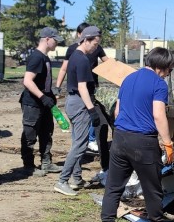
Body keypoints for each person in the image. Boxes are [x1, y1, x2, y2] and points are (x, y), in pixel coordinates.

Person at [99, 47, 174, 222]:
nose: (168, 74)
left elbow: (117, 111)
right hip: (144, 142)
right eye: (169, 69)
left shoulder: (127, 79)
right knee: (152, 188)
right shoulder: (159, 85)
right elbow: (158, 115)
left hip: (120, 139)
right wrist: (167, 143)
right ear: (162, 67)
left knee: (113, 187)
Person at [55, 25, 103, 196]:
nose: (96, 47)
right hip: (80, 103)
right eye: (95, 44)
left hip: (72, 101)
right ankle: (62, 180)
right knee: (80, 144)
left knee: (77, 142)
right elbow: (82, 87)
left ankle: (77, 178)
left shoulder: (75, 55)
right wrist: (91, 110)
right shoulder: (82, 59)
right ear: (86, 40)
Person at [55, 22, 109, 156]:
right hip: (80, 89)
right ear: (81, 36)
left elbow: (107, 61)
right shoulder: (74, 51)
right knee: (85, 116)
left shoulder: (97, 47)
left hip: (92, 87)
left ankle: (90, 140)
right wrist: (57, 87)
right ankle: (79, 148)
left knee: (94, 115)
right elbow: (64, 68)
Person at [20, 27, 64, 176]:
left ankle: (46, 163)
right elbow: (27, 81)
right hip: (32, 103)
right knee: (30, 133)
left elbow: (42, 82)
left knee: (46, 133)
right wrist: (43, 97)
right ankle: (28, 166)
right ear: (47, 39)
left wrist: (50, 96)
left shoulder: (45, 57)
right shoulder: (37, 57)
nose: (57, 43)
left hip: (43, 103)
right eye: (55, 40)